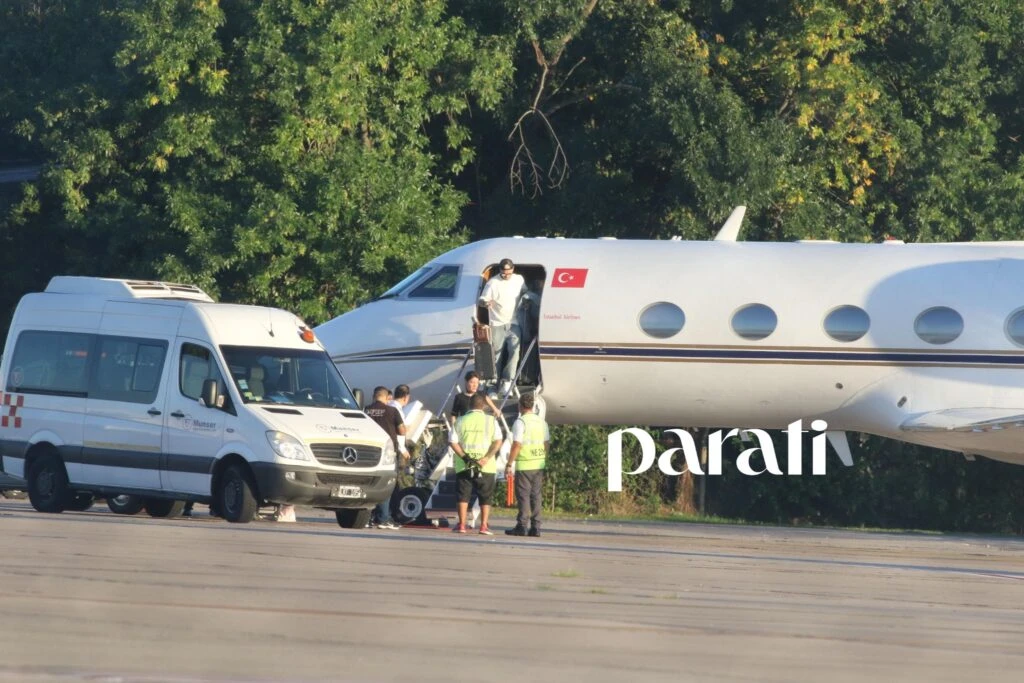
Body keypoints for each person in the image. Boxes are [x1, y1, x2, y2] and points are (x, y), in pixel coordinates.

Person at [478, 258, 535, 397]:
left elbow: (525, 291)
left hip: (514, 322)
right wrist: (486, 304)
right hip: (497, 323)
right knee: (496, 355)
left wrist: (527, 300)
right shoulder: (493, 283)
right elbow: (481, 300)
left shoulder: (518, 279)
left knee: (514, 352)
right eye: (504, 273)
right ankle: (492, 386)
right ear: (500, 271)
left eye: (509, 273)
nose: (506, 276)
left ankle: (507, 380)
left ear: (513, 270)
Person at [449, 393, 502, 534]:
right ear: (484, 406)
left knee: (463, 495)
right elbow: (498, 441)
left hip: (464, 465)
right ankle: (483, 525)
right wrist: (486, 458)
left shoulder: (459, 421)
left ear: (469, 405)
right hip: (486, 465)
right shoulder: (490, 421)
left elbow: (453, 442)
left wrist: (465, 457)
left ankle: (461, 524)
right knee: (485, 497)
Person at [504, 393, 549, 537]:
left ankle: (522, 525)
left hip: (524, 464)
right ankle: (536, 527)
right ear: (532, 406)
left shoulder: (520, 422)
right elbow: (546, 443)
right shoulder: (542, 422)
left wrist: (509, 463)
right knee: (536, 495)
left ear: (520, 406)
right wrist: (542, 457)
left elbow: (517, 444)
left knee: (523, 496)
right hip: (538, 463)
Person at [364, 386, 406, 529]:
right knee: (385, 486)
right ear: (387, 397)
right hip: (387, 452)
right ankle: (383, 518)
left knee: (369, 485)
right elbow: (402, 431)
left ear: (374, 396)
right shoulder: (392, 411)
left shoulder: (366, 410)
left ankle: (368, 518)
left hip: (369, 452)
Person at [388, 384, 412, 468]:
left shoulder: (389, 405)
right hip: (394, 448)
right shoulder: (397, 410)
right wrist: (403, 450)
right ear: (406, 397)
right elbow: (399, 432)